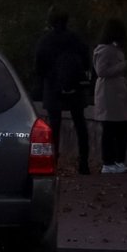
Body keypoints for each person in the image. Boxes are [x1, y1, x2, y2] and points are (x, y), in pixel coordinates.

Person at [35, 9, 92, 175]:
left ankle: (52, 162)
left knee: (54, 126)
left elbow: (38, 66)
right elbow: (86, 61)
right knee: (80, 123)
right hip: (75, 87)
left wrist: (47, 79)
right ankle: (83, 163)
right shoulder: (75, 39)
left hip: (53, 87)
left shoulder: (45, 41)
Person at [92, 19, 127, 174]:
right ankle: (108, 162)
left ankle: (118, 160)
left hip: (117, 94)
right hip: (109, 95)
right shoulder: (104, 50)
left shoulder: (114, 49)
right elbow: (101, 71)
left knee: (122, 127)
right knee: (110, 128)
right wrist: (122, 66)